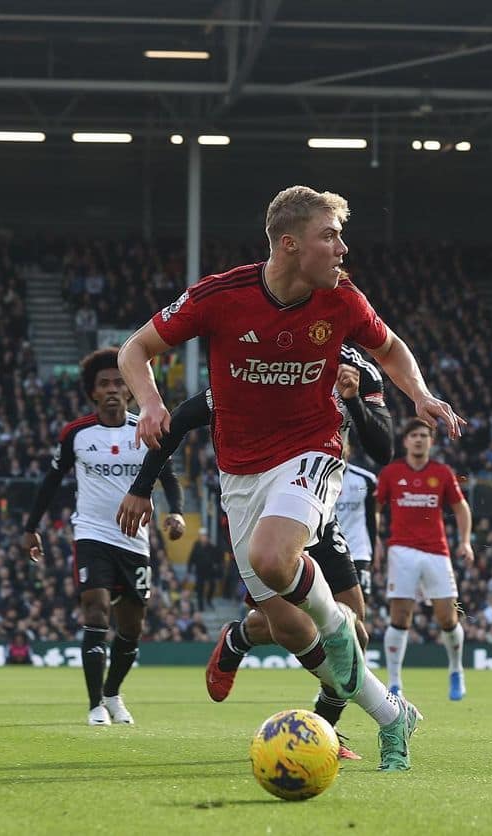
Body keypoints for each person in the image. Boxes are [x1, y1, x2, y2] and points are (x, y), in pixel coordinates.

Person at [116, 185, 462, 771]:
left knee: (279, 561)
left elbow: (393, 348)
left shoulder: (343, 300)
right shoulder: (220, 296)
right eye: (330, 236)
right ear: (289, 244)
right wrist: (149, 403)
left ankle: (338, 630)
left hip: (312, 450)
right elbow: (136, 348)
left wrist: (421, 395)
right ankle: (390, 716)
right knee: (289, 626)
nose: (342, 248)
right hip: (240, 475)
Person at [123, 347, 391, 760]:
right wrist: (142, 487)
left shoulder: (358, 368)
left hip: (315, 503)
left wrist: (353, 399)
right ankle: (241, 637)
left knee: (355, 632)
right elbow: (179, 421)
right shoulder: (262, 357)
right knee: (293, 627)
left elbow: (383, 448)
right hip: (261, 510)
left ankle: (324, 732)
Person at [22, 348, 186, 725]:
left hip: (136, 540)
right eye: (104, 384)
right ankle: (95, 704)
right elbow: (51, 481)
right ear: (92, 392)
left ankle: (113, 694)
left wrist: (175, 511)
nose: (112, 389)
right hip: (91, 535)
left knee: (131, 627)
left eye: (119, 382)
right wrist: (32, 527)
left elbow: (169, 477)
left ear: (130, 389)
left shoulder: (145, 430)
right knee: (95, 610)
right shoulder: (76, 434)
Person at [376, 417, 474, 700]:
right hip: (401, 550)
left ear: (431, 441)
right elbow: (377, 508)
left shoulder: (442, 473)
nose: (419, 439)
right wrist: (377, 542)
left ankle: (456, 670)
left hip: (436, 551)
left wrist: (465, 542)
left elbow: (461, 508)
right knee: (400, 616)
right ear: (405, 440)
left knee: (447, 615)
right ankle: (394, 683)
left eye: (424, 435)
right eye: (414, 435)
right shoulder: (391, 473)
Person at [188, 527, 223, 610]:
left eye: (205, 536)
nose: (204, 538)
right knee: (200, 588)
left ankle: (208, 600)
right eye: (202, 536)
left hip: (209, 571)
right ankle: (200, 606)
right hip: (199, 571)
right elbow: (191, 557)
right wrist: (189, 569)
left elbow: (218, 558)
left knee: (212, 585)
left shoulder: (211, 547)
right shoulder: (196, 545)